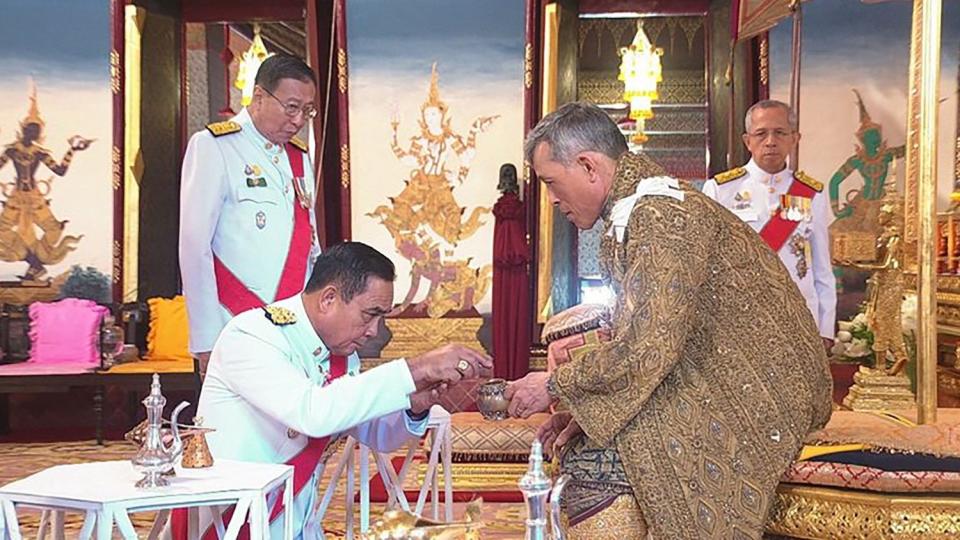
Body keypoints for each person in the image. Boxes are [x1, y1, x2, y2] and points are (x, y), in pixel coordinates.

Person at [506, 102, 832, 539]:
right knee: (590, 440)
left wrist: (552, 384)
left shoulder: (659, 215)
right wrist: (588, 407)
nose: (551, 199)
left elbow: (647, 346)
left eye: (550, 182)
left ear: (587, 165)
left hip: (758, 391)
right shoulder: (641, 209)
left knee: (597, 462)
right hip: (717, 376)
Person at [175, 242, 492, 539]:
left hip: (293, 525)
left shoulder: (339, 356)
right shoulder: (252, 337)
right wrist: (416, 368)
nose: (374, 332)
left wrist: (415, 405)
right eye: (370, 315)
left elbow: (378, 435)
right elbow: (313, 415)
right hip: (230, 527)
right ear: (328, 299)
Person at [179, 54, 322, 377]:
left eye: (307, 110)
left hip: (293, 325)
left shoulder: (299, 159)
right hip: (234, 321)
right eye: (291, 107)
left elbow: (311, 247)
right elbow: (194, 247)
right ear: (259, 97)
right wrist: (206, 339)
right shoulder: (215, 146)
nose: (299, 120)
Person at [702, 99, 837, 350]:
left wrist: (825, 327)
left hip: (797, 318)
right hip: (740, 320)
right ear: (747, 141)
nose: (771, 141)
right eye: (761, 133)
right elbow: (708, 265)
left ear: (795, 138)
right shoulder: (721, 190)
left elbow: (821, 267)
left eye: (780, 132)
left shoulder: (810, 193)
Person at [0, 84, 91, 282]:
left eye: (35, 131)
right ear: (23, 129)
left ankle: (36, 265)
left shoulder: (40, 152)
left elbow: (60, 171)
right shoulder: (12, 150)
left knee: (53, 228)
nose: (31, 133)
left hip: (34, 197)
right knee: (2, 231)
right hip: (16, 198)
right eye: (29, 129)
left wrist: (71, 151)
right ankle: (35, 264)